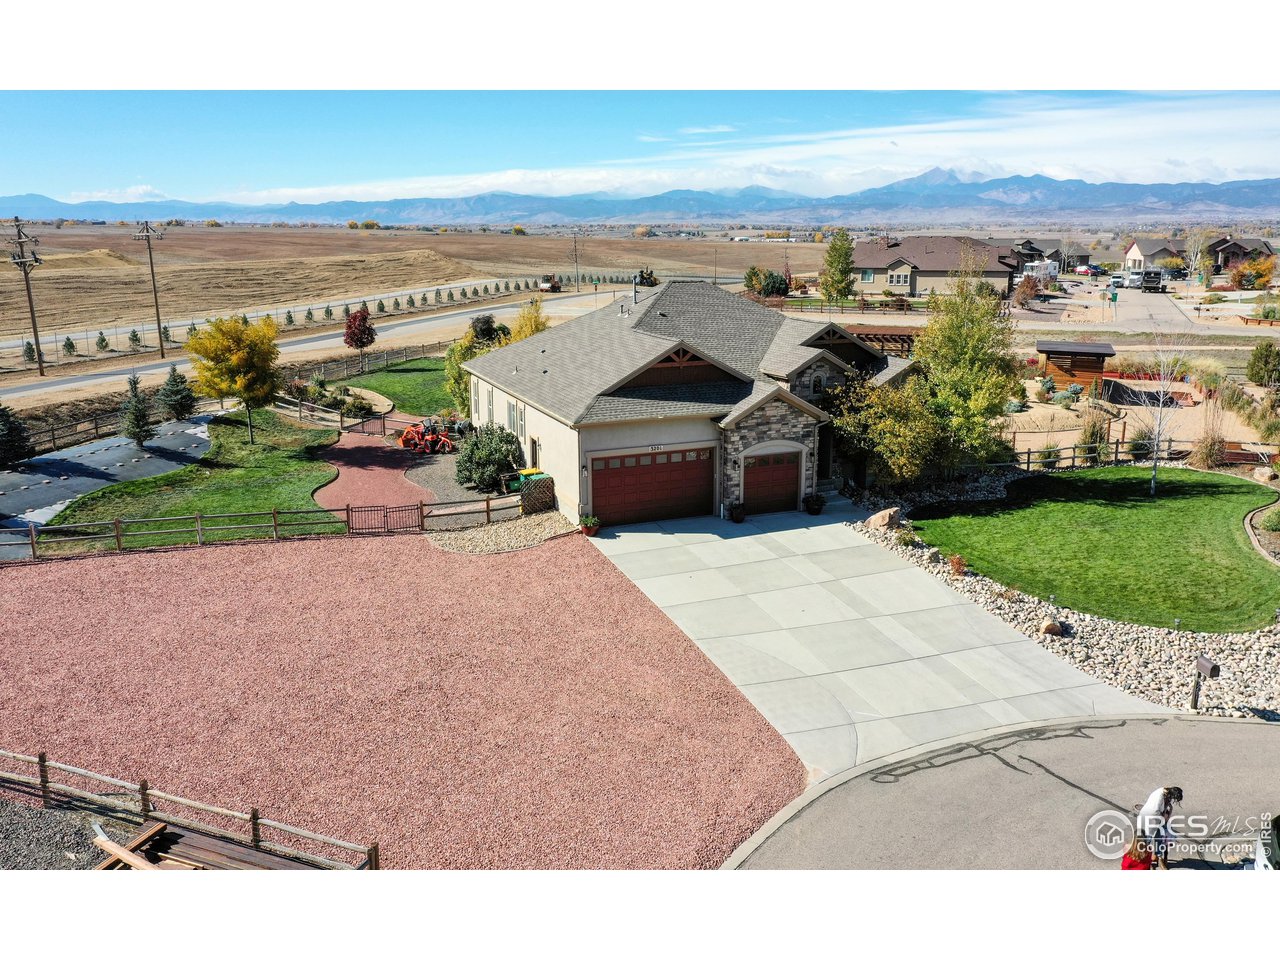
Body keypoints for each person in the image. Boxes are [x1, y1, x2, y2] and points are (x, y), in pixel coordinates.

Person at [1136, 786, 1183, 869]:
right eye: (1173, 798)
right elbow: (1155, 811)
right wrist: (1164, 817)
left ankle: (1159, 857)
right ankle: (1145, 861)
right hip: (1149, 820)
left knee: (1160, 838)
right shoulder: (1158, 797)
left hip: (1157, 819)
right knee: (1147, 840)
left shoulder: (1165, 793)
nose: (1173, 800)